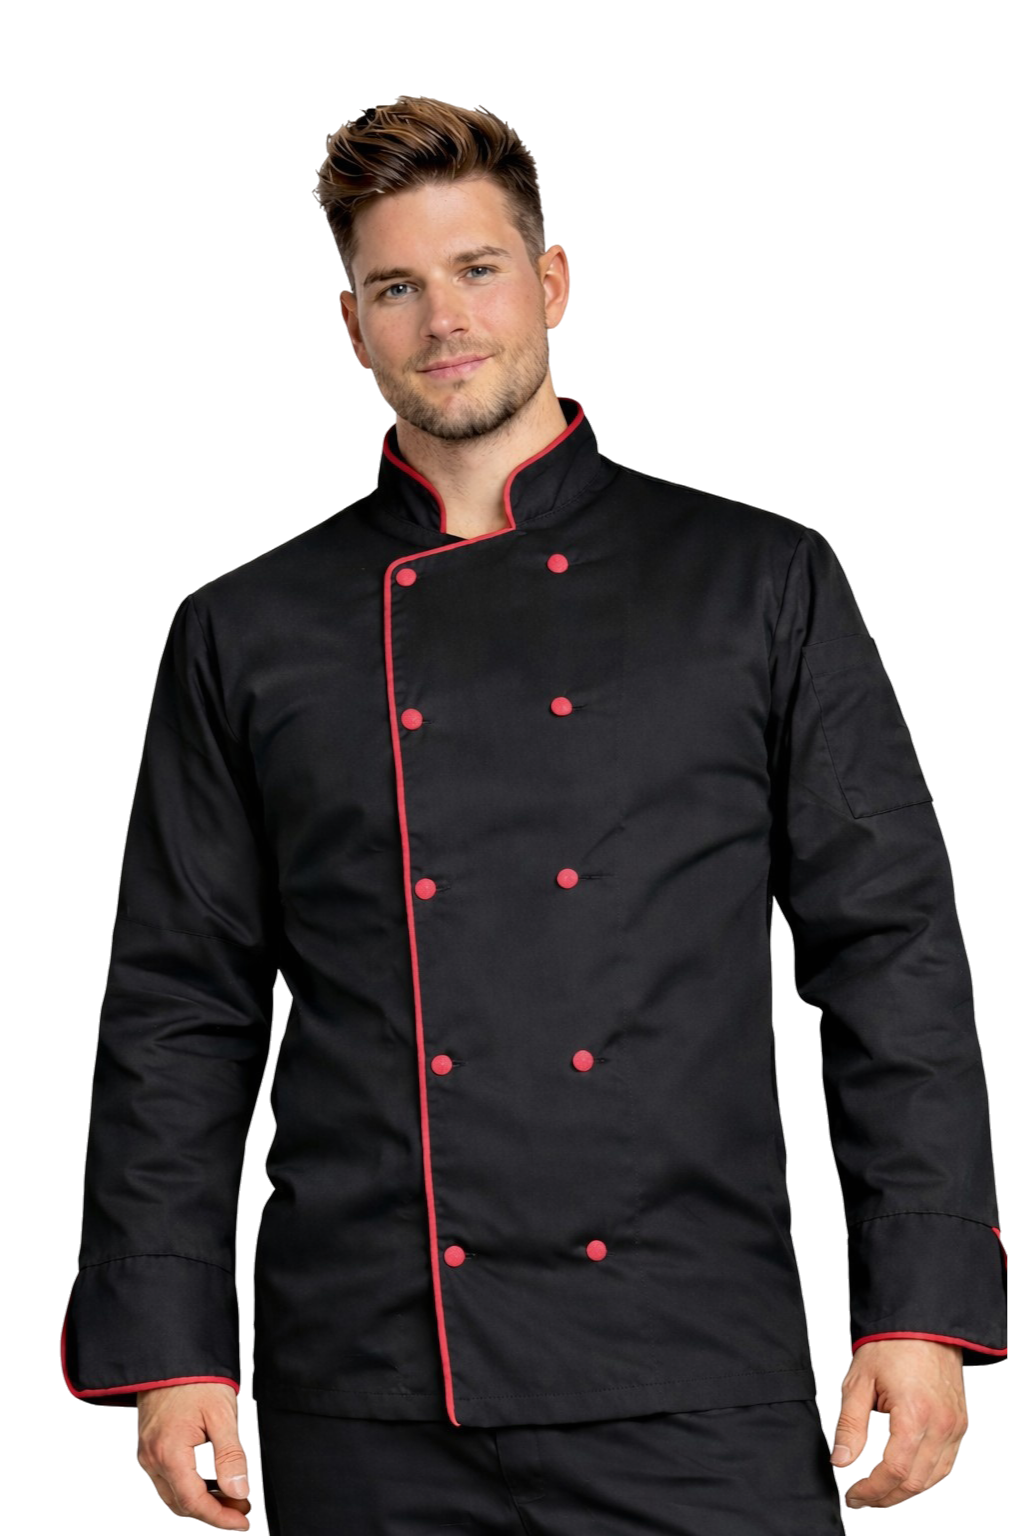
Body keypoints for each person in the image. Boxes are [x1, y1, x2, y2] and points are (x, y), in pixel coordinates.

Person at [61, 94, 1007, 1533]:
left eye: (478, 269)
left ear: (551, 281)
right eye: (397, 287)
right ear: (352, 325)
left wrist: (918, 1303)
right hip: (368, 1378)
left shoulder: (757, 582)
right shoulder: (247, 631)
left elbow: (890, 954)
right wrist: (173, 1341)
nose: (444, 319)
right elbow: (180, 1005)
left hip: (690, 1364)